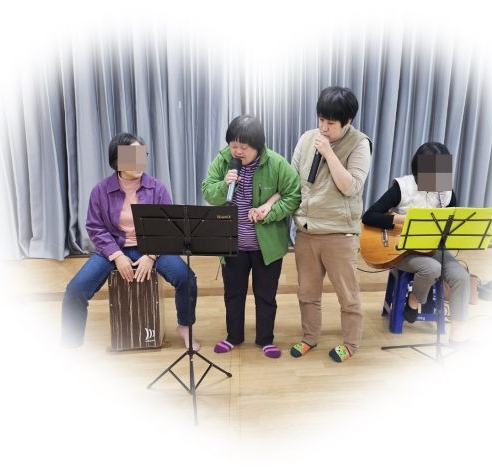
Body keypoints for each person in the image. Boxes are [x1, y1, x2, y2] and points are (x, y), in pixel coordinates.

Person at [61, 133, 199, 349]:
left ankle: (185, 326)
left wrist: (151, 255)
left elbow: (167, 226)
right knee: (75, 289)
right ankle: (71, 345)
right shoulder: (100, 191)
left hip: (152, 247)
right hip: (112, 248)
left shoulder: (157, 188)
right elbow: (95, 227)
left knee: (186, 277)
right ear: (117, 161)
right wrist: (116, 256)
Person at [202, 115, 301, 358]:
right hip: (232, 244)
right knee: (233, 294)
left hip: (266, 247)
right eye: (233, 145)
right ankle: (233, 337)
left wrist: (269, 212)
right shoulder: (223, 160)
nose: (237, 151)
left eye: (243, 147)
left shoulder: (276, 163)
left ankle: (265, 339)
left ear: (258, 146)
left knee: (265, 295)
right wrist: (224, 185)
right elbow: (208, 192)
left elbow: (293, 195)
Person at [290, 86, 372, 363]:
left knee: (348, 296)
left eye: (331, 123)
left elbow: (351, 187)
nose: (324, 128)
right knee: (307, 293)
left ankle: (350, 343)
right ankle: (310, 337)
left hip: (340, 234)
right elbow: (292, 181)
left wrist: (329, 153)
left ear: (348, 121)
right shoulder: (307, 139)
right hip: (306, 231)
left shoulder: (360, 143)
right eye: (321, 120)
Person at [361, 141, 470, 343]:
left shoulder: (446, 193)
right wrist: (403, 219)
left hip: (433, 248)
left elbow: (452, 225)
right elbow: (369, 216)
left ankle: (457, 335)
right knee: (431, 268)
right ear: (418, 169)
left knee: (461, 276)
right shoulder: (402, 187)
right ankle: (414, 300)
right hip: (403, 250)